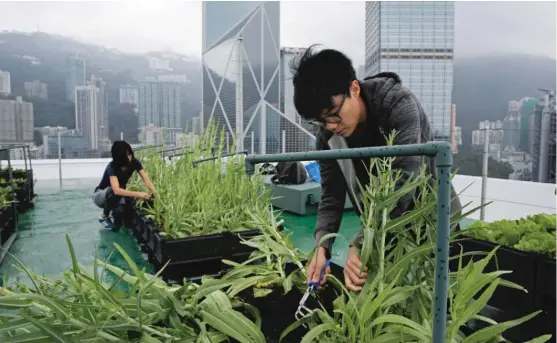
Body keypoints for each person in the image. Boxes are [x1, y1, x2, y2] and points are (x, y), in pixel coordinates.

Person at [290, 45, 462, 291]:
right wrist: (322, 246)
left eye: (333, 115)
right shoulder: (328, 135)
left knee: (439, 294)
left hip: (430, 214)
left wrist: (359, 243)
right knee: (376, 295)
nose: (329, 126)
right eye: (320, 121)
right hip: (380, 225)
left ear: (354, 88)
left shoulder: (400, 106)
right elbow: (331, 196)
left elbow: (403, 184)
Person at [92, 141, 155, 230]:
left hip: (116, 196)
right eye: (127, 154)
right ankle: (103, 216)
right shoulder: (112, 167)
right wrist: (139, 194)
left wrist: (155, 194)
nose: (130, 156)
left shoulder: (134, 162)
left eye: (130, 153)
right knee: (118, 189)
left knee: (123, 211)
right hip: (100, 196)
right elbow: (116, 190)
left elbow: (147, 181)